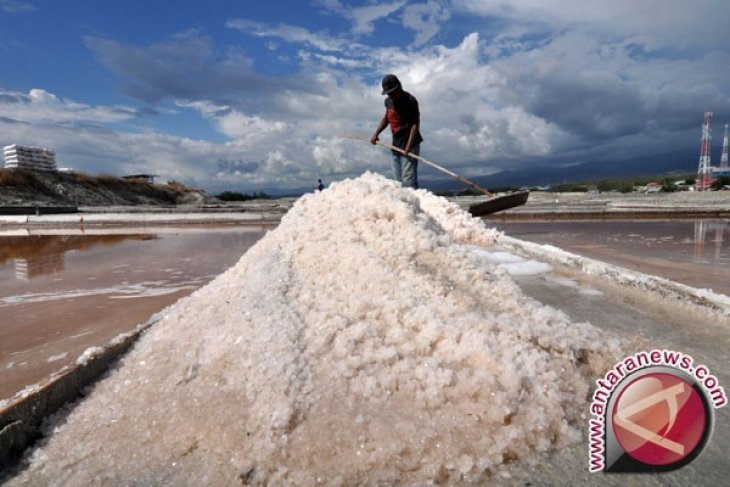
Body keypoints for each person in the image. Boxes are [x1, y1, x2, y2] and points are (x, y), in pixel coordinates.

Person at [370, 74, 423, 189]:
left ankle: (411, 205)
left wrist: (408, 147)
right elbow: (387, 118)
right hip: (396, 144)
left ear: (399, 87)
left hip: (410, 144)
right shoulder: (388, 102)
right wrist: (376, 134)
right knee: (398, 182)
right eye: (388, 93)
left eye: (392, 92)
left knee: (408, 180)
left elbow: (415, 124)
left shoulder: (410, 100)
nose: (391, 95)